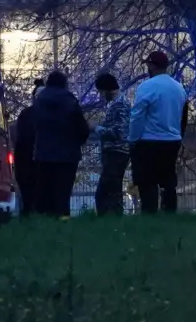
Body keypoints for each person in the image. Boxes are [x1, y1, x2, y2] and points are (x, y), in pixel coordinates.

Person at [128, 51, 186, 214]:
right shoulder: (178, 88)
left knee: (148, 181)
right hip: (172, 140)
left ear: (152, 66)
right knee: (168, 179)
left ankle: (150, 214)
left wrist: (133, 138)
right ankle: (169, 212)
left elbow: (137, 116)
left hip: (149, 140)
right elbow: (183, 115)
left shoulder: (147, 87)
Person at [29, 71, 90, 218]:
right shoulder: (70, 100)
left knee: (45, 190)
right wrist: (78, 142)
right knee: (63, 191)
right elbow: (82, 127)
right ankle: (63, 219)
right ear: (64, 83)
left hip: (44, 154)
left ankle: (44, 220)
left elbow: (33, 125)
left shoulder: (39, 101)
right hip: (67, 155)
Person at [92, 72, 130, 216]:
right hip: (116, 152)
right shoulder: (118, 103)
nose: (101, 96)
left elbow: (118, 132)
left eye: (101, 92)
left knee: (105, 192)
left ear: (107, 89)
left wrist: (97, 128)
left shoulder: (119, 104)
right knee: (113, 190)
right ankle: (114, 219)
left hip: (116, 152)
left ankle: (108, 219)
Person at [11, 79, 44, 216]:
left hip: (28, 160)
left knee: (30, 196)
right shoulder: (29, 115)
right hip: (32, 160)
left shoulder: (26, 114)